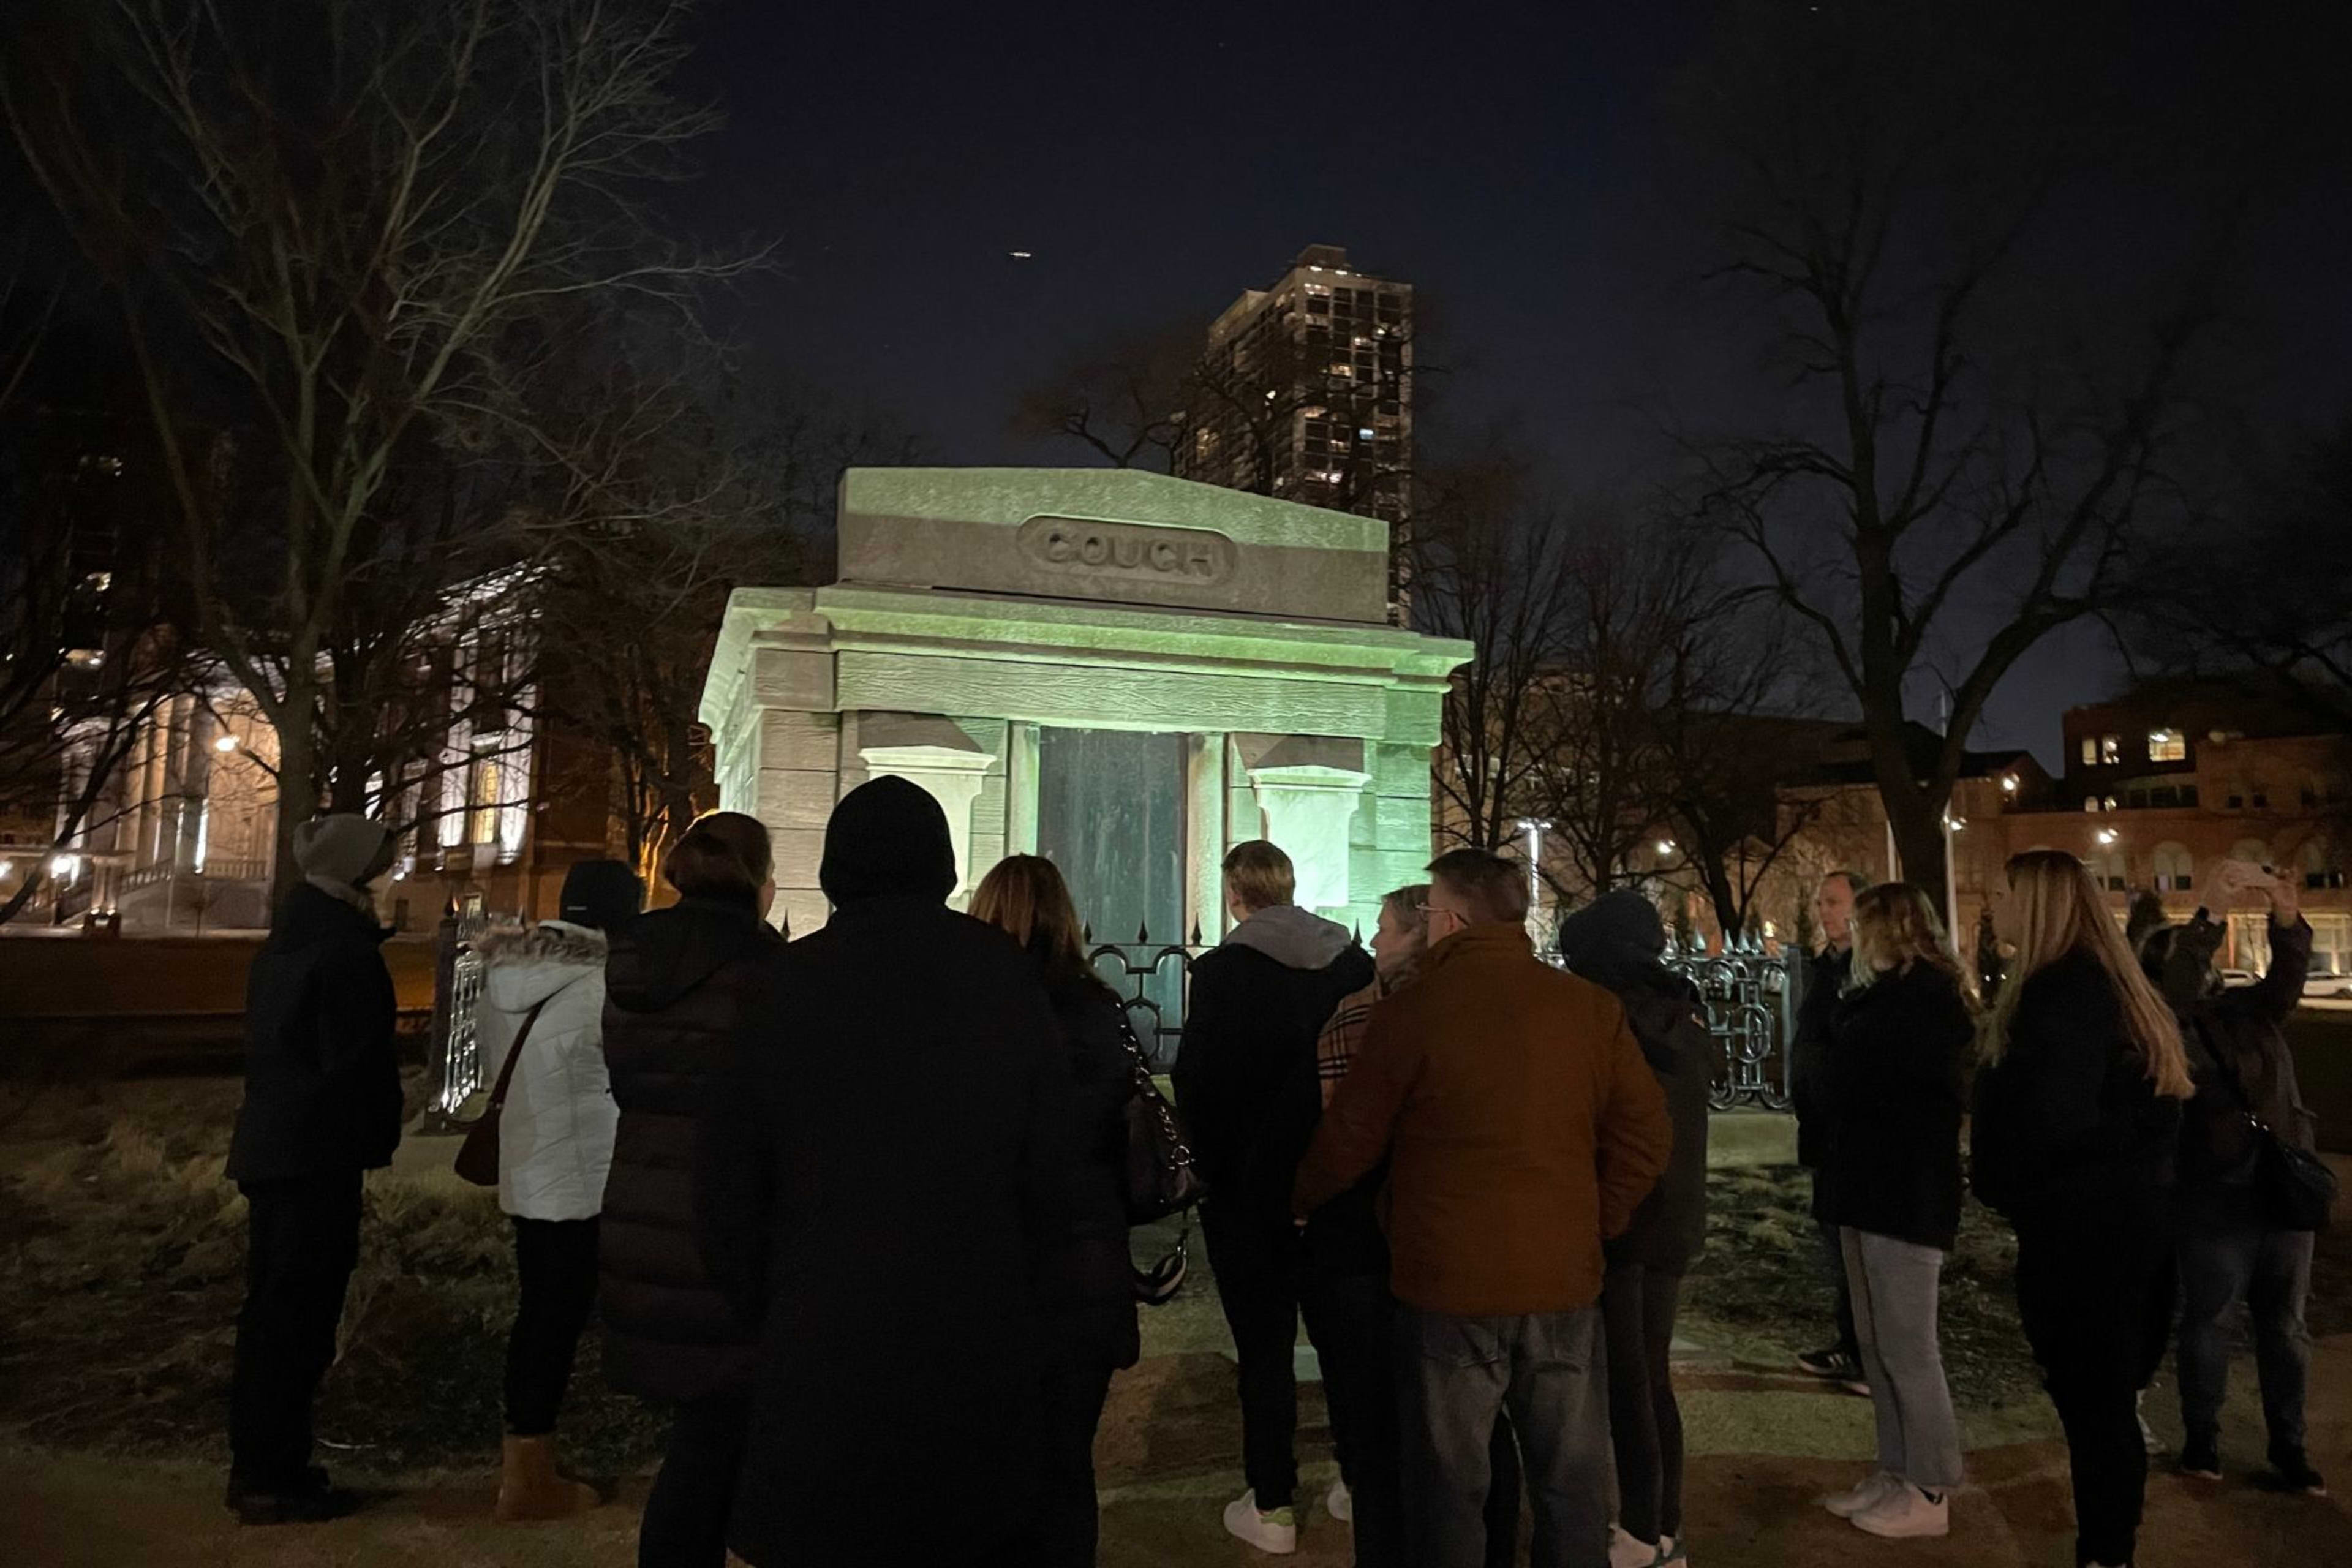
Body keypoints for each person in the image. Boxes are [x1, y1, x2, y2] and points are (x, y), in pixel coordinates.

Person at [697, 778, 1074, 1567]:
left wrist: (766, 1304)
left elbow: (727, 1185)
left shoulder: (779, 986)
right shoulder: (1003, 977)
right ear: (943, 867)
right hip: (971, 1329)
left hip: (819, 1331)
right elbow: (1053, 1174)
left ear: (836, 872)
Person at [1295, 849, 1672, 1568]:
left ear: (1456, 918)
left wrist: (1302, 1199)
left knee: (1450, 1486)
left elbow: (1351, 1136)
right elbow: (1646, 1134)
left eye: (1432, 911)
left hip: (1449, 1283)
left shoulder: (1414, 1011)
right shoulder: (1585, 1009)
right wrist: (1597, 1218)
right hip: (1560, 1278)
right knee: (1570, 1483)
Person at [1973, 850, 2193, 1568]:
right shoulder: (2105, 987)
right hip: (2124, 1231)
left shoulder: (2061, 994)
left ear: (2037, 903)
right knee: (2105, 1405)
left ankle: (2106, 1551)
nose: (1992, 902)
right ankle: (2110, 1545)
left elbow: (2053, 1124)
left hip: (2084, 1239)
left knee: (2095, 1409)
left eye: (2004, 890)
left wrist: (2001, 1176)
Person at [1172, 840, 1374, 1554]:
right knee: (1345, 1343)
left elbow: (1199, 1083)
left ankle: (1274, 1501)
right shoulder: (1352, 964)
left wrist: (1216, 1170)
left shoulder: (1224, 972)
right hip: (1338, 1186)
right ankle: (1356, 1479)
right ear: (1290, 886)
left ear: (1235, 893)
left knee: (1263, 1350)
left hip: (1250, 1194)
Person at [600, 813, 785, 1567]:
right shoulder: (765, 969)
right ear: (759, 879)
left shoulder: (634, 957)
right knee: (725, 1438)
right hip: (728, 1217)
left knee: (701, 1434)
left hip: (643, 1201)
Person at [224, 814, 402, 1525]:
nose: (388, 872)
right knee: (297, 1316)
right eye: (380, 862)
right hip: (315, 1153)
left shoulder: (295, 938)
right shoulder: (343, 948)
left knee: (273, 1312)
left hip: (278, 1146)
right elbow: (353, 1061)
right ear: (355, 870)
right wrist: (373, 1132)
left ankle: (266, 1463)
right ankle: (273, 1477)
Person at [971, 854, 1143, 1567]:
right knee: (1068, 1467)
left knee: (983, 1467)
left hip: (989, 1271)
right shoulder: (1100, 1009)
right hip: (1084, 1265)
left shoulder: (968, 1009)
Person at [2141, 859, 2326, 1496]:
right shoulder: (2170, 1024)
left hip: (2280, 1188)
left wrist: (2285, 911)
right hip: (2216, 1192)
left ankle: (2291, 1450)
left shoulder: (2251, 1011)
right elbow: (2181, 990)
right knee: (2209, 1319)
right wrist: (2210, 912)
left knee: (2286, 1328)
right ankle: (2202, 1443)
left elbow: (2288, 978)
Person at [473, 858, 643, 1521]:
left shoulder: (505, 973)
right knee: (559, 1321)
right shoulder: (603, 982)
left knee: (541, 1317)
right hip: (586, 1177)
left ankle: (527, 1461)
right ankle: (528, 1481)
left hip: (529, 1166)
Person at [1556, 890, 1713, 1568]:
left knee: (1627, 1381)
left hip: (1623, 1219)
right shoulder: (1684, 1016)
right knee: (1651, 1377)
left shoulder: (1604, 1021)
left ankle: (1643, 1529)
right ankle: (1665, 1526)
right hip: (1675, 1217)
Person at [1814, 884, 1974, 1541]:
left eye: (1863, 925)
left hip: (1903, 1195)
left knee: (1909, 1346)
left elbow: (1891, 1092)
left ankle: (1931, 1484)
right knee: (1877, 1344)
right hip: (1864, 1187)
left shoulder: (1929, 1006)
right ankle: (1897, 1466)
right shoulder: (1876, 1000)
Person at [1302, 883, 1431, 1568]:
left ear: (1420, 931)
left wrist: (1305, 1199)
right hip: (1449, 1228)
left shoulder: (1359, 1015)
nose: (1374, 940)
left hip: (1364, 1228)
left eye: (1386, 927)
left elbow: (1342, 1131)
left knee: (1370, 1401)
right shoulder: (1487, 1011)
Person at [1790, 870, 1869, 1392]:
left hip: (1853, 1134)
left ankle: (1865, 1353)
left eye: (1835, 902)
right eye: (1821, 902)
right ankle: (1851, 1344)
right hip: (1823, 1132)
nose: (1825, 911)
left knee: (1859, 1251)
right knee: (1837, 1247)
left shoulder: (1866, 974)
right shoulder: (1824, 970)